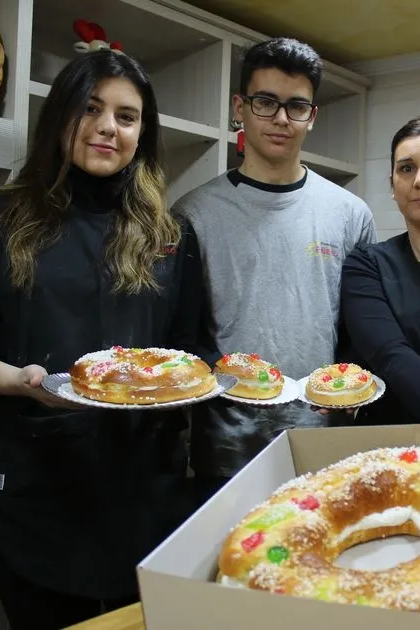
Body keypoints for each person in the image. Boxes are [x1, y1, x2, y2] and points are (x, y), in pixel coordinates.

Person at [0, 50, 211, 630]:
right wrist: (11, 379)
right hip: (31, 488)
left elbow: (196, 348)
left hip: (143, 490)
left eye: (127, 117)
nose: (109, 127)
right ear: (60, 116)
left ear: (142, 133)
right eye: (91, 108)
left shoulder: (173, 236)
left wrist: (181, 383)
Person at [172, 38, 376, 498]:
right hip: (226, 449)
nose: (282, 119)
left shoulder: (350, 214)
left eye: (296, 106)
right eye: (266, 102)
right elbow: (185, 338)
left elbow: (359, 332)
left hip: (322, 444)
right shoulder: (193, 214)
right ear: (239, 108)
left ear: (312, 116)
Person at [336, 114, 420, 425]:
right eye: (407, 168)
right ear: (393, 186)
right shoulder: (368, 266)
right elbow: (390, 355)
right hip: (392, 449)